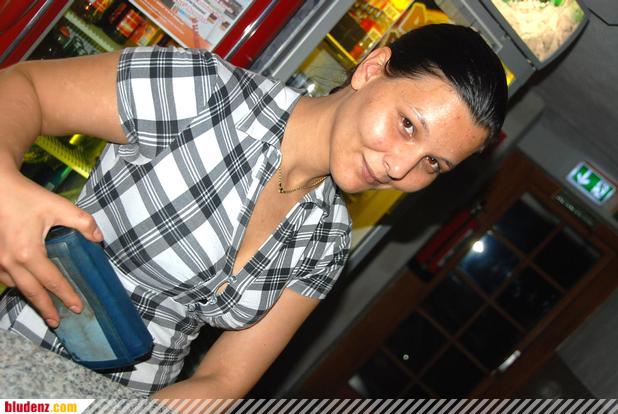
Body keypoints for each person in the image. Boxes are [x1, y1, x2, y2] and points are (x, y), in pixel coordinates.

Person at [0, 24, 507, 398]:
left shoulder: (328, 241)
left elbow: (223, 379)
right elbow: (25, 88)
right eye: (408, 125)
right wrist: (6, 188)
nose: (400, 167)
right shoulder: (205, 94)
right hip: (20, 358)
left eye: (432, 164)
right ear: (372, 70)